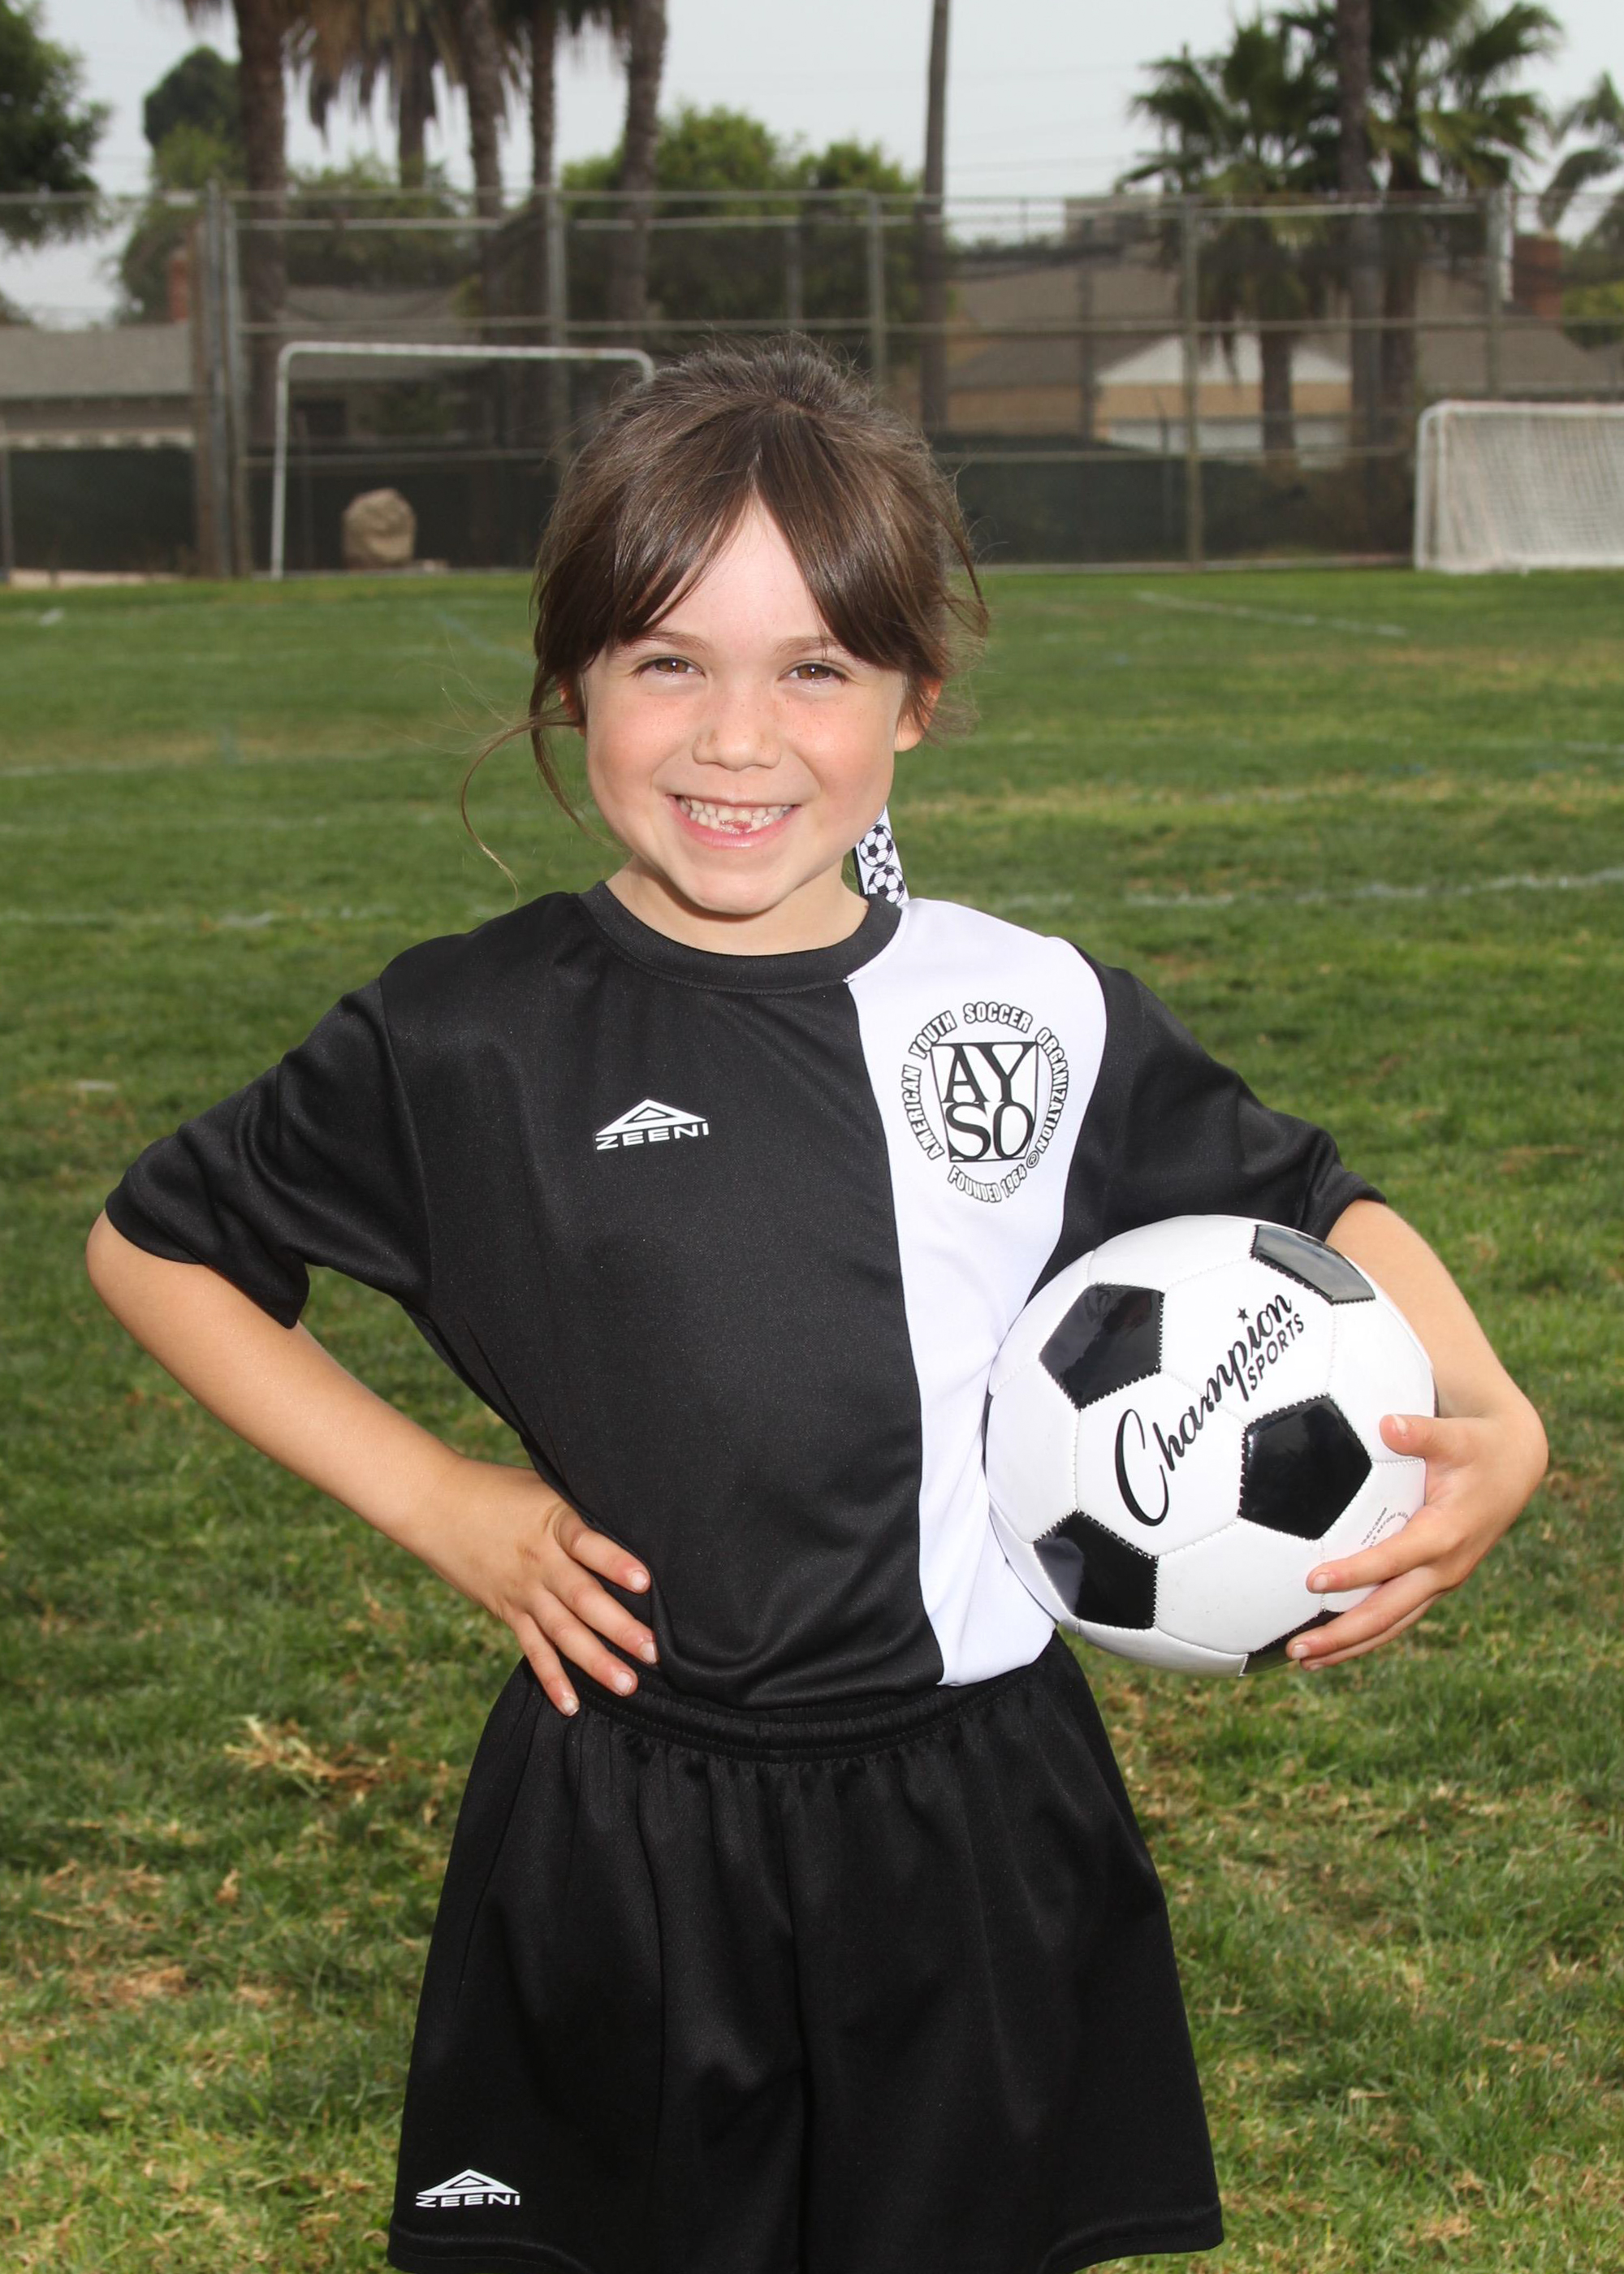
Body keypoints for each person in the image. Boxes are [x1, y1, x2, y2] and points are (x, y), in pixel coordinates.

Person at [85, 339, 1547, 2274]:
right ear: (571, 677)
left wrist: (1491, 1407)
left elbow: (1308, 1198)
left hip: (976, 1811)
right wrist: (439, 1499)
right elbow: (160, 1244)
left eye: (815, 669)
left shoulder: (1023, 1005)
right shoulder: (467, 1034)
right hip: (624, 1819)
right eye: (666, 661)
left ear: (914, 699)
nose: (734, 738)